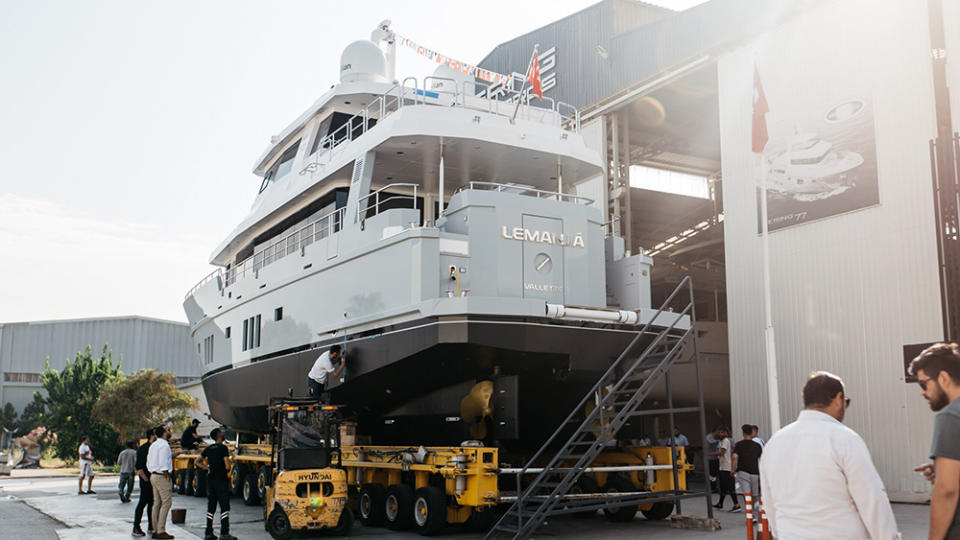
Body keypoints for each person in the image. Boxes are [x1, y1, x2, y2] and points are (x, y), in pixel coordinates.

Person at [760, 371, 901, 539]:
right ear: (838, 398)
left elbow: (769, 504)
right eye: (845, 402)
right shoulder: (844, 439)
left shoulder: (773, 443)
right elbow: (872, 500)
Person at [909, 343, 960, 540]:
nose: (922, 392)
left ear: (944, 378)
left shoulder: (950, 416)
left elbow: (947, 490)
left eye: (923, 384)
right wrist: (942, 468)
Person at [196, 428, 236, 540]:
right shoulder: (223, 448)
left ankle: (208, 532)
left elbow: (197, 461)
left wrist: (206, 468)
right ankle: (224, 533)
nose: (223, 433)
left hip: (211, 479)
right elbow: (227, 466)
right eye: (221, 432)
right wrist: (227, 468)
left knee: (211, 506)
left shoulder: (208, 448)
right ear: (219, 435)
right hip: (221, 479)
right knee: (224, 506)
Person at [147, 425, 176, 540]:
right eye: (168, 430)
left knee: (157, 503)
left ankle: (154, 529)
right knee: (167, 503)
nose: (169, 431)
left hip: (153, 474)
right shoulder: (164, 445)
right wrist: (167, 475)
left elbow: (148, 461)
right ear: (164, 433)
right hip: (161, 476)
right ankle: (161, 530)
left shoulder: (154, 445)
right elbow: (164, 462)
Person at [729, 424, 761, 513]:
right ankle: (753, 512)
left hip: (743, 472)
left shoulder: (739, 444)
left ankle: (749, 513)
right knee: (754, 494)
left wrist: (732, 469)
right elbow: (761, 459)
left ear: (743, 433)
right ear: (752, 433)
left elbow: (734, 457)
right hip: (755, 472)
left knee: (747, 493)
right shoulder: (757, 445)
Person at [133, 428, 157, 537]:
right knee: (142, 503)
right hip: (146, 480)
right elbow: (139, 467)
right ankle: (136, 526)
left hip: (153, 479)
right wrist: (146, 479)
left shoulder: (154, 447)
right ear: (152, 435)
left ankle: (151, 525)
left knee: (152, 503)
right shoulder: (143, 449)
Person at [713, 427, 735, 509]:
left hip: (726, 467)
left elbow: (722, 453)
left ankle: (737, 505)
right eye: (719, 432)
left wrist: (709, 454)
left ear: (726, 433)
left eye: (722, 432)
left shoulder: (726, 440)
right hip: (722, 466)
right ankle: (720, 503)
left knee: (729, 486)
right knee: (722, 487)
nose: (720, 434)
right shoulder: (720, 441)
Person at [705, 426, 724, 492]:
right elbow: (711, 442)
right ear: (715, 431)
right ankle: (712, 488)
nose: (719, 434)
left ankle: (716, 487)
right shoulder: (709, 437)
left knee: (716, 473)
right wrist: (721, 440)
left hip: (715, 458)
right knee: (712, 474)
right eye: (718, 432)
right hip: (710, 459)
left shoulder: (715, 438)